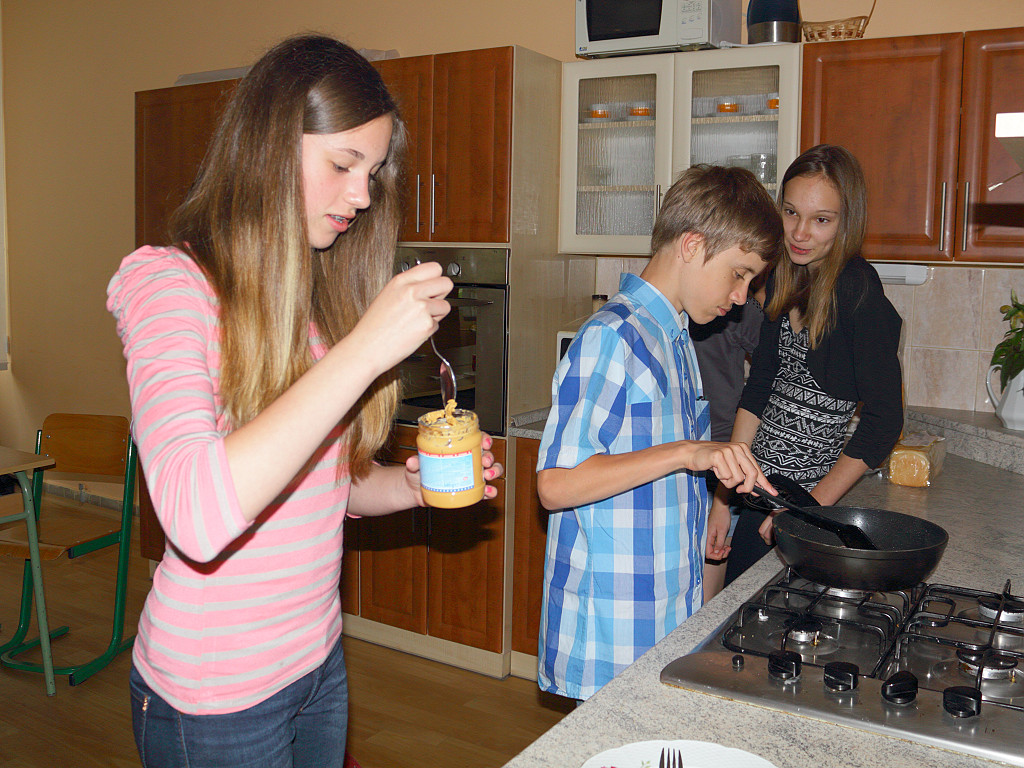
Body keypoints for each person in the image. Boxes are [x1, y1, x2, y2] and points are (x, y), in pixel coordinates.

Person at [106, 34, 502, 768]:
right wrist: (364, 352)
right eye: (342, 165)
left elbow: (322, 487)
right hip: (214, 697)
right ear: (266, 147)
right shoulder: (167, 287)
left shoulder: (312, 304)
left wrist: (407, 487)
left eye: (373, 172)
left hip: (317, 667)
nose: (362, 195)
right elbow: (195, 516)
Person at [534, 165, 783, 702]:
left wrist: (712, 498)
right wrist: (688, 452)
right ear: (692, 245)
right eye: (738, 274)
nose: (742, 296)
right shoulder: (613, 337)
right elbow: (555, 484)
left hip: (660, 612)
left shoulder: (676, 338)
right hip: (613, 626)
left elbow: (666, 473)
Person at [715, 144, 903, 586]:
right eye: (791, 213)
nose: (800, 233)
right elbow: (760, 387)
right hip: (756, 487)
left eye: (821, 220)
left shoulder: (859, 293)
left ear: (846, 222)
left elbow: (884, 421)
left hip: (805, 499)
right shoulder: (784, 272)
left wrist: (807, 511)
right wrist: (724, 497)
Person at [691, 283, 765, 601]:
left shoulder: (736, 306)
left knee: (705, 607)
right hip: (667, 471)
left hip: (719, 470)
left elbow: (775, 371)